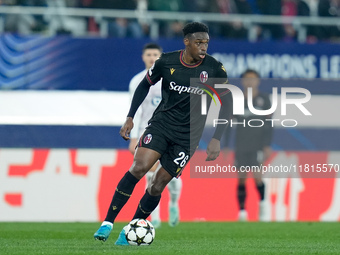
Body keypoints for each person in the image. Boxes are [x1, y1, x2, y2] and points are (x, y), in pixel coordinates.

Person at [94, 21, 232, 245]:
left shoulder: (214, 68)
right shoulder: (166, 61)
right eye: (198, 43)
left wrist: (217, 137)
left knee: (158, 184)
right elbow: (143, 85)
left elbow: (227, 102)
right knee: (139, 167)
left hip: (188, 137)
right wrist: (130, 117)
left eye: (206, 43)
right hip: (161, 125)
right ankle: (107, 222)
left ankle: (131, 228)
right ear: (186, 42)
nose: (203, 47)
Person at [128, 42, 182, 228]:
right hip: (148, 131)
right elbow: (135, 110)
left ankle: (174, 204)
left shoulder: (170, 79)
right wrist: (134, 136)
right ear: (143, 57)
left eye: (155, 55)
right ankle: (154, 217)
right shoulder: (137, 82)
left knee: (171, 177)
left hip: (171, 131)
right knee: (150, 175)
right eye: (148, 54)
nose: (152, 58)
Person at [223, 69, 273, 221]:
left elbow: (269, 124)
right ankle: (242, 211)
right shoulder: (236, 100)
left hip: (257, 144)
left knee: (258, 176)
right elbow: (228, 123)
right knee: (242, 177)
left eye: (253, 79)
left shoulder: (264, 99)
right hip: (241, 144)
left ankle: (263, 206)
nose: (250, 82)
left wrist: (267, 145)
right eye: (247, 79)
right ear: (243, 82)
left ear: (258, 81)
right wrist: (225, 145)